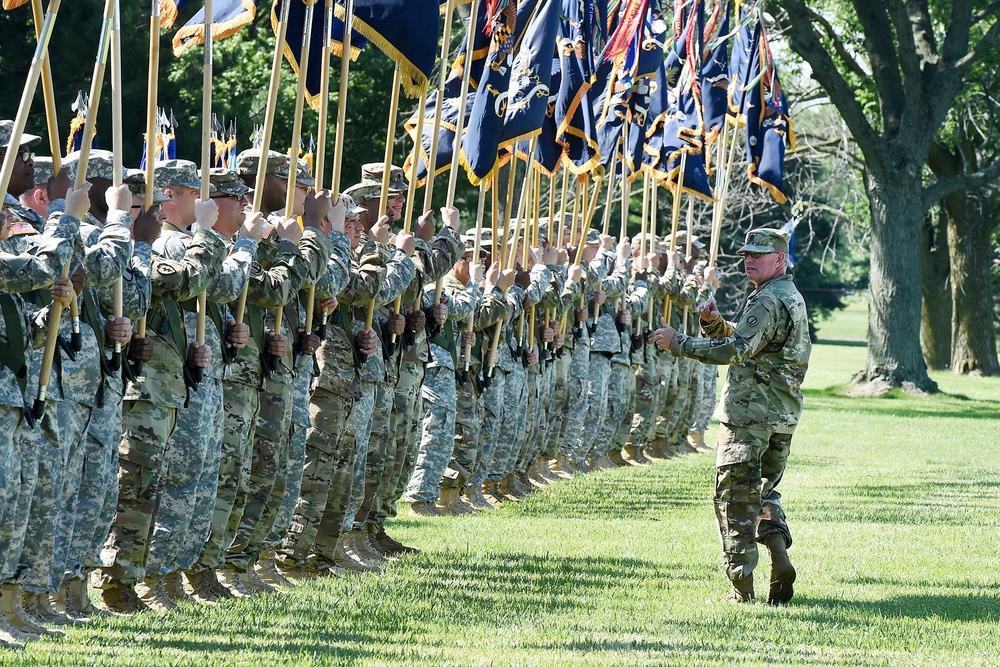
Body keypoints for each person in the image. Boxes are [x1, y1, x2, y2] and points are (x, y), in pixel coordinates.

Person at [651, 228, 810, 605]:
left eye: (759, 254)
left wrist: (679, 342)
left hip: (749, 417)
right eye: (746, 254)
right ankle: (779, 555)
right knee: (764, 492)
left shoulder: (768, 300)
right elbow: (755, 343)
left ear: (780, 259)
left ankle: (742, 589)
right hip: (779, 416)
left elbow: (737, 351)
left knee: (734, 498)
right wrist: (714, 325)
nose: (749, 260)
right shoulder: (787, 296)